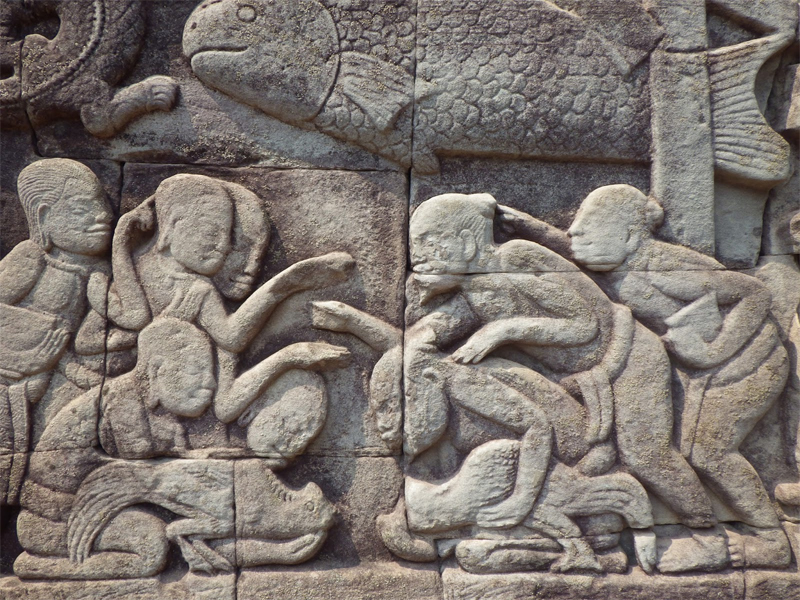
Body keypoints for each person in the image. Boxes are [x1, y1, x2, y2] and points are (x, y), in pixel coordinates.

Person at [500, 184, 791, 569]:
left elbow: (754, 293)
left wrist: (714, 351)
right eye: (575, 228)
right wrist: (530, 227)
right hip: (699, 369)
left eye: (588, 229)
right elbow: (575, 250)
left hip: (748, 361)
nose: (573, 235)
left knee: (708, 452)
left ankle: (770, 541)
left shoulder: (662, 267)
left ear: (631, 235)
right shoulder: (617, 260)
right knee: (679, 451)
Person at [0, 159, 117, 504]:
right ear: (43, 215)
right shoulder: (31, 257)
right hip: (13, 377)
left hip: (58, 377)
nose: (103, 216)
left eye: (104, 205)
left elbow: (87, 338)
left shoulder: (100, 270)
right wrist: (37, 340)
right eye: (83, 208)